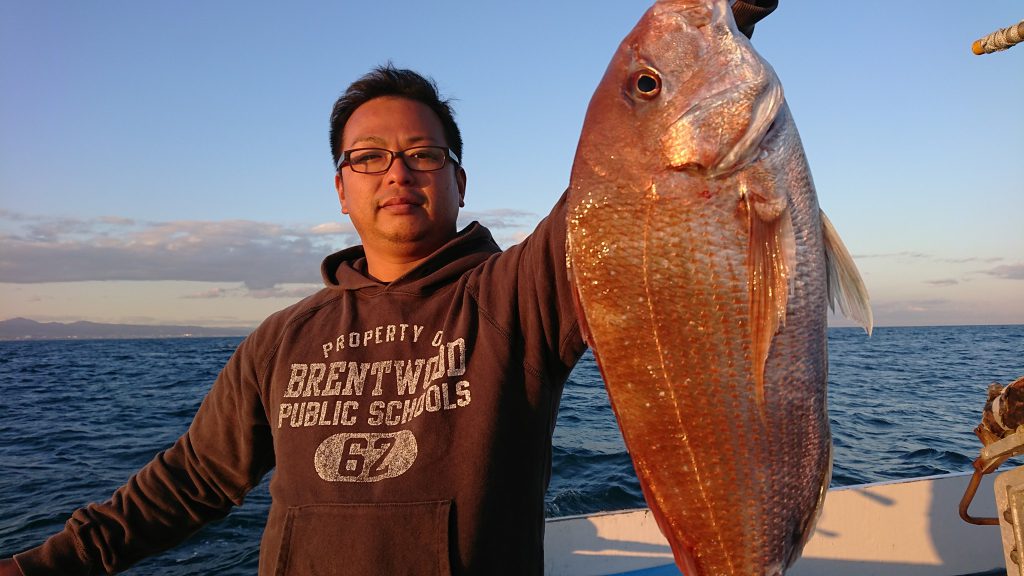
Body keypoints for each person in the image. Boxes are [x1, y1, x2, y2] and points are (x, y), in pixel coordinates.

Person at [1, 4, 777, 575]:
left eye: (423, 154)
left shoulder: (517, 297)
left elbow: (634, 177)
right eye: (368, 157)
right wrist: (43, 566)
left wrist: (715, 21)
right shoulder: (281, 339)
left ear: (460, 181)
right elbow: (191, 481)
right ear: (341, 190)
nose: (397, 172)